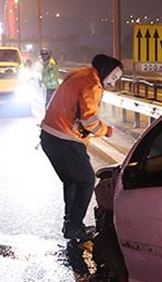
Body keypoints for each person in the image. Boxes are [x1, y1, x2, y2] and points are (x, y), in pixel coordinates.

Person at [39, 53, 123, 244]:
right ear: (106, 71)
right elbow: (89, 120)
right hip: (64, 137)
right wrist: (106, 130)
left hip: (51, 135)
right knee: (86, 180)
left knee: (72, 181)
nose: (113, 82)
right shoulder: (92, 84)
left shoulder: (81, 74)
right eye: (113, 77)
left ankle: (71, 225)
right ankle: (75, 226)